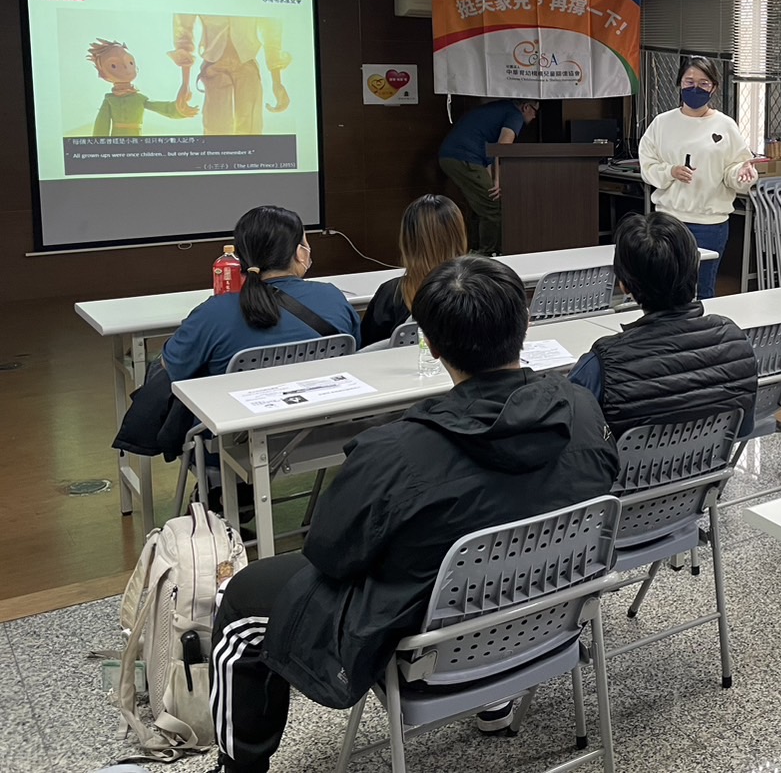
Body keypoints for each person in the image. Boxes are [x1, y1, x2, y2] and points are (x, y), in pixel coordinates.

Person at [208, 256, 619, 773]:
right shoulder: (582, 409)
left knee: (242, 598)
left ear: (431, 345)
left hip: (430, 641)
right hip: (544, 618)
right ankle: (496, 700)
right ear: (527, 324)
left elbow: (330, 554)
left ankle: (240, 767)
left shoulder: (394, 452)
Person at [569, 212, 757, 439]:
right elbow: (741, 430)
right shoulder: (736, 344)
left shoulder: (600, 366)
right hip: (710, 462)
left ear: (624, 285)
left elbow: (568, 439)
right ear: (696, 271)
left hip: (627, 464)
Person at [162, 205, 360, 381]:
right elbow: (355, 349)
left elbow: (173, 367)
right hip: (325, 408)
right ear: (300, 253)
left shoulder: (213, 313)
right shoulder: (332, 297)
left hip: (236, 411)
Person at [637, 56, 756, 300]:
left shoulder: (725, 125)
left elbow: (735, 169)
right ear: (679, 83)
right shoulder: (662, 124)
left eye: (703, 83)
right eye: (689, 81)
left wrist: (743, 175)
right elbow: (648, 166)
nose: (695, 88)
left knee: (702, 290)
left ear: (714, 87)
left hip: (710, 224)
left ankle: (701, 327)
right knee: (665, 288)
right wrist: (670, 171)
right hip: (668, 222)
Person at [360, 194, 467, 346]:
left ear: (407, 240)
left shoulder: (392, 295)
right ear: (460, 235)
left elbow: (367, 351)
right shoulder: (485, 289)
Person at [438, 98, 539, 255]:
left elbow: (492, 152)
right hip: (464, 157)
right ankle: (488, 254)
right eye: (535, 110)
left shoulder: (500, 108)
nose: (535, 116)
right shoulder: (515, 114)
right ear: (526, 107)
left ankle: (476, 249)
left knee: (481, 204)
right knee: (492, 206)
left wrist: (493, 177)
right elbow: (502, 148)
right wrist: (497, 181)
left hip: (454, 155)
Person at [170, 14, 290, 136]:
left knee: (251, 132)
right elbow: (183, 29)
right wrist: (185, 83)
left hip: (247, 67)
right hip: (214, 69)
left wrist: (277, 81)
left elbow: (271, 30)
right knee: (215, 131)